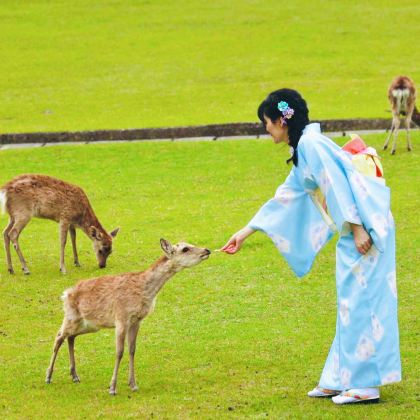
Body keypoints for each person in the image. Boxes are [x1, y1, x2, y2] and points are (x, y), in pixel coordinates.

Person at [221, 88, 401, 405]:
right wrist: (245, 232)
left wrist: (358, 229)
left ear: (281, 120)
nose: (266, 129)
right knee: (350, 301)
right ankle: (338, 378)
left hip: (366, 225)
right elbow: (286, 196)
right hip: (355, 225)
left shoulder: (312, 145)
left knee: (363, 300)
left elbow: (338, 184)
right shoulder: (305, 148)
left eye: (266, 122)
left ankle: (367, 383)